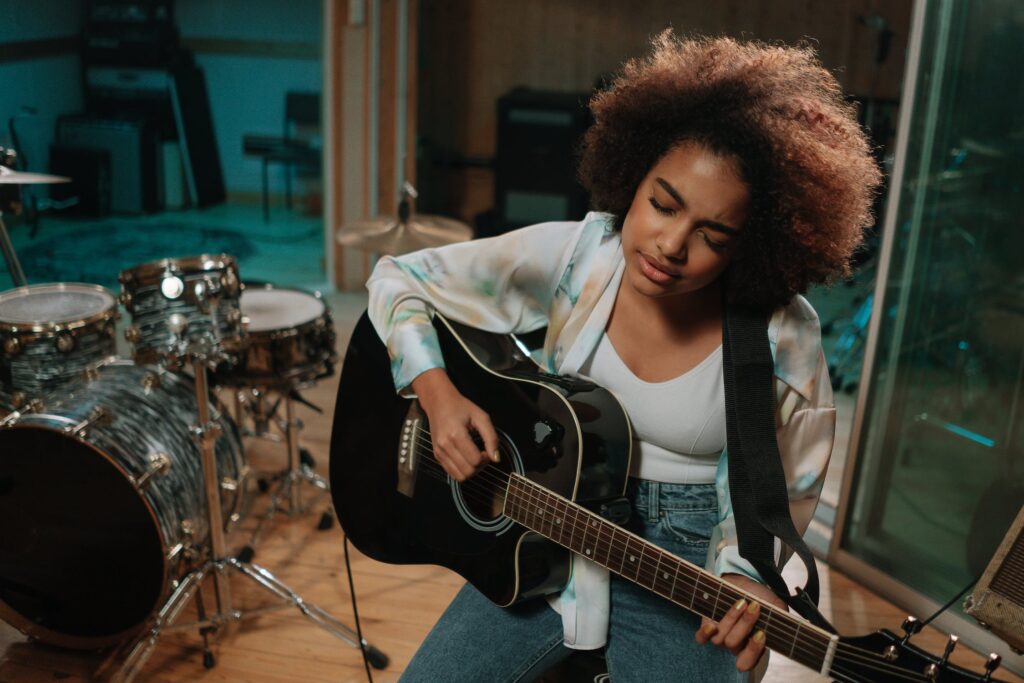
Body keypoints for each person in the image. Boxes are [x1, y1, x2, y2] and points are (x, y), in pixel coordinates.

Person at [366, 31, 881, 682]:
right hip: (538, 535)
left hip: (685, 578)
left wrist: (754, 581)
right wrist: (437, 395)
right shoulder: (582, 255)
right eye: (663, 204)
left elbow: (782, 502)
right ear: (632, 176)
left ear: (751, 247)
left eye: (712, 236)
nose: (670, 245)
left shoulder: (780, 338)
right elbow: (396, 278)